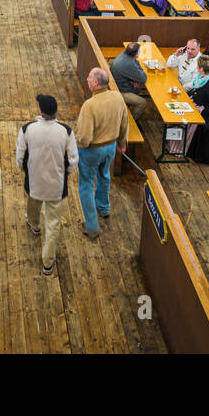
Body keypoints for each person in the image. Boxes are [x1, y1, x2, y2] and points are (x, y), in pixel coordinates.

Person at [17, 94, 78, 275]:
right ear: (56, 111)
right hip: (56, 185)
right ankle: (47, 263)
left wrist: (26, 171)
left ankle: (34, 224)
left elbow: (20, 158)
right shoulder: (66, 131)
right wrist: (64, 174)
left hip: (34, 180)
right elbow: (73, 160)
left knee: (33, 203)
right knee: (52, 225)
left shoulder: (27, 129)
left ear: (40, 111)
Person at [74, 68, 128, 239]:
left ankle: (91, 226)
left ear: (96, 83)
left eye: (89, 77)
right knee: (104, 175)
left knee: (86, 184)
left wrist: (77, 148)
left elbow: (84, 137)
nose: (88, 79)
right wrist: (122, 143)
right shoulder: (117, 97)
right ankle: (104, 208)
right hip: (110, 147)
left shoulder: (90, 105)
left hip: (92, 151)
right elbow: (124, 122)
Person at [110, 42, 149, 119]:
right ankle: (130, 121)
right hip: (120, 91)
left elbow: (136, 63)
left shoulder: (124, 54)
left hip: (118, 84)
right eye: (140, 51)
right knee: (142, 102)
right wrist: (136, 77)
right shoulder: (129, 63)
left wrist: (135, 78)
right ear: (136, 55)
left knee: (138, 86)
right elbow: (143, 78)